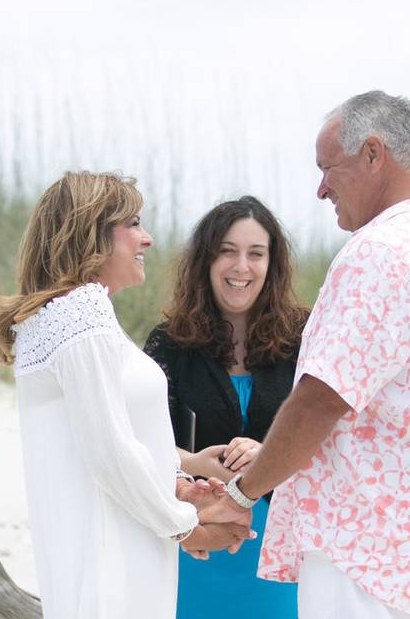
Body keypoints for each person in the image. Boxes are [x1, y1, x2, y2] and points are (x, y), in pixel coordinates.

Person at [200, 91, 410, 619]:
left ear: (372, 154)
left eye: (328, 169)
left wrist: (243, 493)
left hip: (368, 563)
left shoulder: (382, 253)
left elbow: (322, 398)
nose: (321, 189)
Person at [0, 171, 251, 619]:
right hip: (112, 559)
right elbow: (109, 452)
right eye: (132, 224)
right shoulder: (79, 314)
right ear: (90, 232)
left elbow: (98, 436)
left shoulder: (61, 319)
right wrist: (185, 527)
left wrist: (182, 475)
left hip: (118, 543)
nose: (146, 239)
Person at [144, 195, 306, 617]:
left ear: (273, 265)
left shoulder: (303, 339)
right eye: (227, 252)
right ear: (206, 261)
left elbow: (327, 435)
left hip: (280, 552)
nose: (241, 267)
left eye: (256, 254)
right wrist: (198, 463)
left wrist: (270, 455)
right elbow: (147, 444)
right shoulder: (170, 344)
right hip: (195, 540)